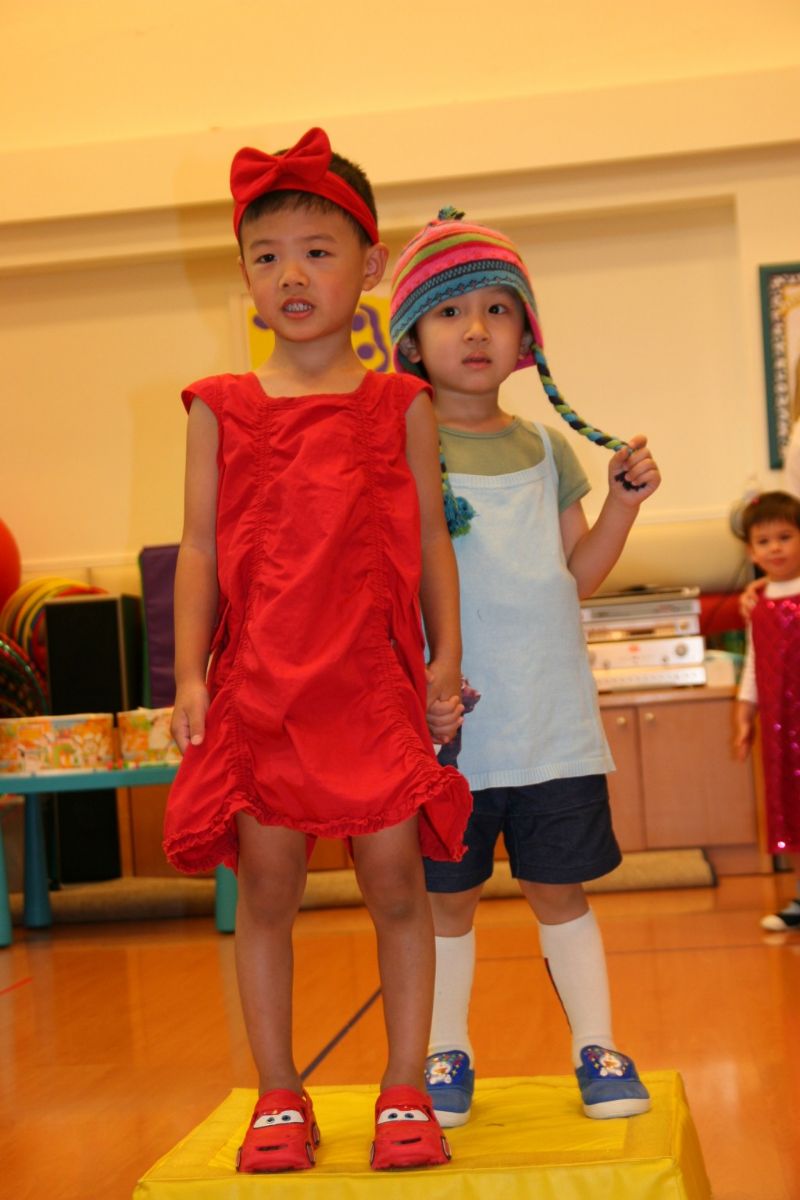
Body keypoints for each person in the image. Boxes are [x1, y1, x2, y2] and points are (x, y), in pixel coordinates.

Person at [163, 132, 472, 1173]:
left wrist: (444, 657)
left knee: (397, 884)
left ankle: (404, 1084)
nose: (290, 275)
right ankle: (278, 1091)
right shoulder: (217, 408)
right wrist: (190, 675)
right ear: (245, 275)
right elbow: (198, 548)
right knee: (267, 890)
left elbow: (431, 541)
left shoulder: (402, 405)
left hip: (371, 689)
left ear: (369, 266)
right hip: (262, 694)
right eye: (266, 256)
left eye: (316, 252)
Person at [389, 208, 661, 1127]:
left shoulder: (547, 449)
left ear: (525, 339)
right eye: (450, 310)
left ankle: (599, 1046)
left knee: (560, 889)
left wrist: (622, 505)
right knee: (447, 897)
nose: (476, 328)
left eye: (498, 309)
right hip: (448, 730)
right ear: (411, 340)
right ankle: (444, 1052)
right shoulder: (399, 449)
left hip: (550, 720)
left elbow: (574, 576)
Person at [734, 491, 800, 931]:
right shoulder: (757, 603)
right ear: (751, 552)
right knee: (791, 806)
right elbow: (755, 662)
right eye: (763, 541)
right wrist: (745, 714)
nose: (775, 548)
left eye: (785, 537)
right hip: (782, 726)